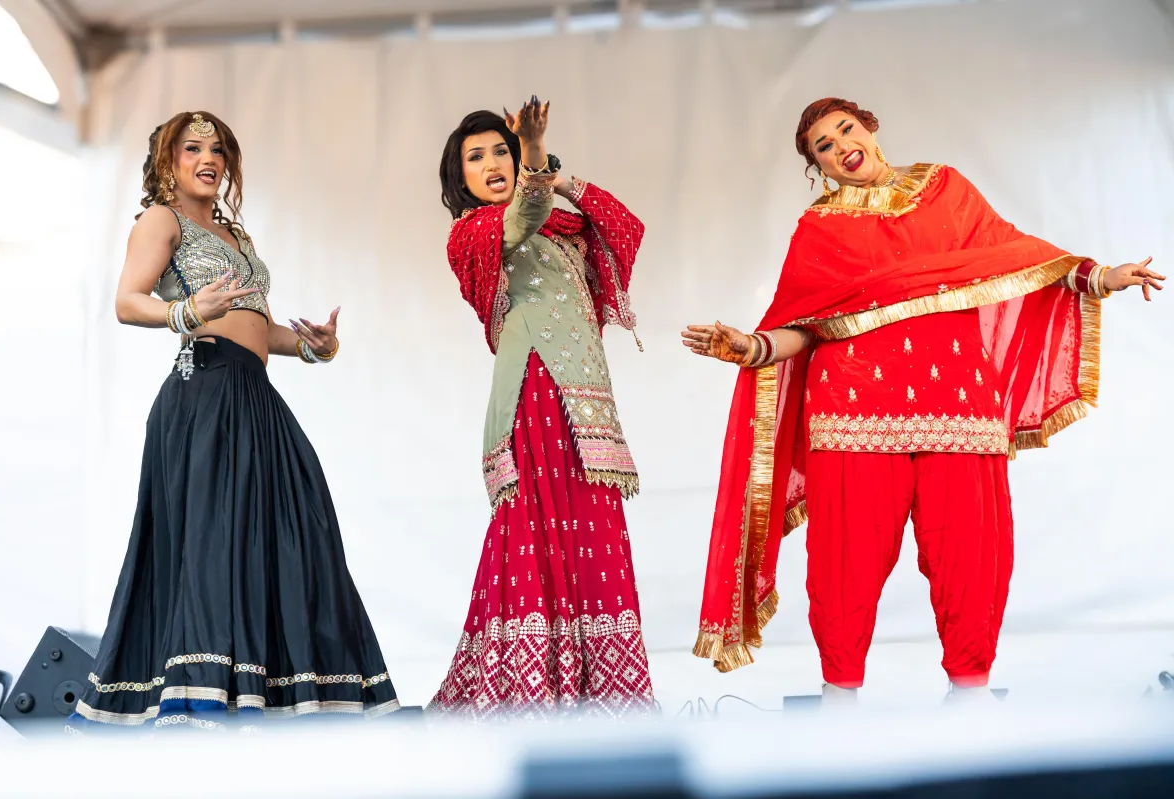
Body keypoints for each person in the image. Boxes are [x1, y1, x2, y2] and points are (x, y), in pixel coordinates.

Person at [683, 97, 1163, 705]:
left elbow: (1012, 255)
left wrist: (1097, 277)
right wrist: (749, 347)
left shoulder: (946, 190)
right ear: (818, 167)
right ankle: (840, 700)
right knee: (846, 559)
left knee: (970, 551)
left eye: (846, 130)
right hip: (854, 408)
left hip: (958, 403)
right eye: (824, 147)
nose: (841, 147)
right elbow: (805, 327)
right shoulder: (820, 228)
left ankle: (969, 693)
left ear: (871, 127)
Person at [70, 111, 399, 731]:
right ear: (167, 160)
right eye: (192, 147)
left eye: (217, 149)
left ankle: (285, 694)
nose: (208, 158)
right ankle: (199, 704)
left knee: (298, 533)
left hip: (253, 395)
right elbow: (126, 302)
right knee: (214, 548)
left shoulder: (235, 237)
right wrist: (188, 309)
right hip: (204, 396)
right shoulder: (159, 221)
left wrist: (311, 345)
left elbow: (256, 327)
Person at [430, 98, 655, 719]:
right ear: (462, 180)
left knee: (592, 529)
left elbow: (626, 226)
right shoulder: (473, 234)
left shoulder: (566, 223)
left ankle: (601, 691)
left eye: (500, 149)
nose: (492, 162)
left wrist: (560, 175)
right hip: (534, 388)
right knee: (536, 524)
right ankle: (529, 687)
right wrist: (534, 159)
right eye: (476, 157)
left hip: (589, 399)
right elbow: (524, 215)